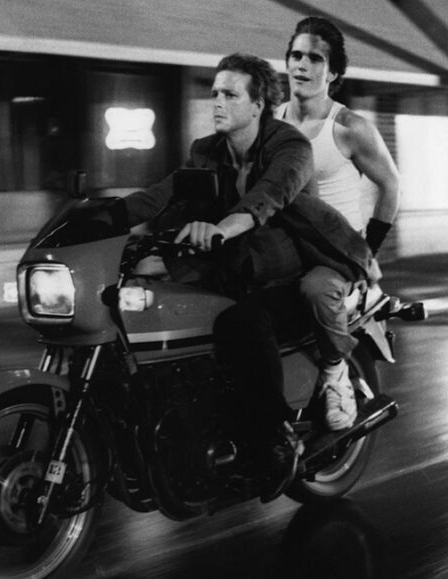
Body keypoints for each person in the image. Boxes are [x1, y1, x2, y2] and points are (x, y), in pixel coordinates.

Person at [123, 53, 371, 502]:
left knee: (242, 322)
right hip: (238, 268)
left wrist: (220, 228)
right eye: (214, 92)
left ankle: (273, 440)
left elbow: (268, 197)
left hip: (293, 268)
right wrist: (106, 215)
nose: (216, 101)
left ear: (257, 105)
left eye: (230, 94)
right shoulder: (207, 151)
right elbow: (166, 193)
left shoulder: (289, 146)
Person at [277, 16, 402, 432]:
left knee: (315, 289)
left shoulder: (348, 127)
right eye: (296, 55)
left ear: (333, 74)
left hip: (333, 252)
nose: (303, 65)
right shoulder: (271, 121)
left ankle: (335, 374)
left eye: (315, 58)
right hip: (282, 247)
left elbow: (391, 186)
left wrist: (367, 251)